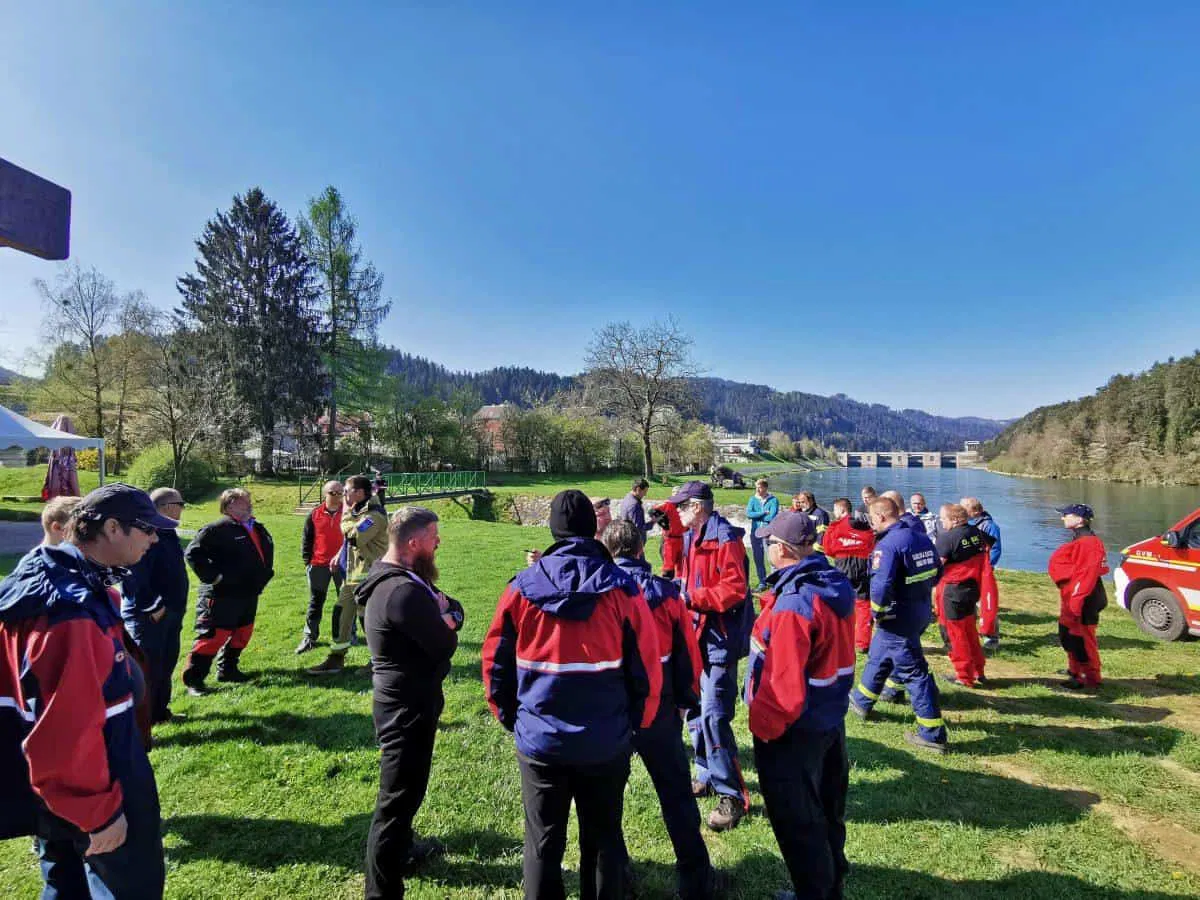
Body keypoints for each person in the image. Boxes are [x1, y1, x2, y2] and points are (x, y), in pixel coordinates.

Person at [483, 490, 661, 900]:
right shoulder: (624, 589)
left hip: (541, 740)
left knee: (542, 844)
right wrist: (638, 722)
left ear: (553, 530)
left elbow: (495, 663)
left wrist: (510, 716)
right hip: (605, 739)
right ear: (591, 527)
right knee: (602, 841)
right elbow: (647, 667)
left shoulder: (520, 587)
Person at [0, 483, 174, 898]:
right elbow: (65, 730)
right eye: (147, 528)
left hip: (49, 789)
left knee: (63, 879)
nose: (155, 537)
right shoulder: (71, 611)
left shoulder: (45, 575)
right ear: (112, 528)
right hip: (96, 780)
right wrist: (99, 814)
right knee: (128, 887)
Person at [601, 520, 717, 900]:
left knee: (606, 799)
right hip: (660, 705)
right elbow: (688, 652)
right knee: (676, 795)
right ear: (641, 550)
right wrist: (687, 700)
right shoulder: (665, 594)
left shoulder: (600, 591)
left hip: (614, 707)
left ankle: (617, 879)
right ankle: (696, 880)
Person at [746, 511, 855, 900]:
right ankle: (831, 881)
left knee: (797, 822)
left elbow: (783, 686)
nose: (765, 547)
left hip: (794, 730)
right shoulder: (831, 583)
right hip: (828, 716)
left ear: (782, 549)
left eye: (769, 542)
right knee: (827, 810)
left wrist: (763, 729)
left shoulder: (795, 603)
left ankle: (814, 890)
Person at [362, 506, 464, 899]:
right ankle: (381, 891)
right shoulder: (401, 591)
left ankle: (404, 850)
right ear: (414, 542)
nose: (439, 542)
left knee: (409, 791)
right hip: (405, 707)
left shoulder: (400, 578)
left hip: (411, 699)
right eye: (434, 537)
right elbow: (446, 642)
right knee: (396, 801)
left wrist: (446, 613)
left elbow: (452, 606)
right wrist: (447, 619)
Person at [670, 480, 753, 831]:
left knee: (715, 716)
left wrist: (691, 598)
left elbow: (733, 589)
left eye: (681, 506)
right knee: (695, 710)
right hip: (696, 635)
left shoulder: (726, 539)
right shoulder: (692, 537)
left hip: (720, 638)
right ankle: (705, 774)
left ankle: (732, 795)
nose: (675, 511)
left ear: (697, 507)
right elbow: (687, 578)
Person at [849, 496, 948, 754]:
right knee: (879, 655)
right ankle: (861, 701)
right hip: (919, 610)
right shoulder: (922, 537)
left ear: (881, 516)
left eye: (872, 519)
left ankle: (932, 733)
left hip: (898, 617)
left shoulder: (889, 545)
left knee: (915, 672)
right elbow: (937, 572)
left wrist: (877, 613)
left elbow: (881, 585)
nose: (871, 524)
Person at [181, 488, 275, 694]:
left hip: (249, 592)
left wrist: (265, 575)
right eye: (243, 502)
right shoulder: (217, 529)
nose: (249, 504)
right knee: (214, 636)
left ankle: (228, 670)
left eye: (249, 500)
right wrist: (215, 578)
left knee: (243, 632)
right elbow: (193, 553)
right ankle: (194, 681)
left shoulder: (255, 526)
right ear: (229, 505)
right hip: (222, 594)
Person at [122, 487, 190, 724]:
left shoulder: (167, 532)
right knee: (148, 669)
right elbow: (133, 574)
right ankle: (143, 723)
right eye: (180, 504)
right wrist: (153, 606)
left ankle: (160, 713)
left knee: (165, 664)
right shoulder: (146, 532)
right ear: (167, 507)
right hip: (150, 615)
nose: (182, 509)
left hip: (170, 611)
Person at [308, 475, 389, 675]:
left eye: (347, 490)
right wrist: (339, 554)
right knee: (340, 614)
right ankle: (336, 657)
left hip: (370, 577)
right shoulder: (358, 511)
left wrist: (344, 513)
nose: (343, 494)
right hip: (352, 578)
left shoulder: (374, 516)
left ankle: (378, 661)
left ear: (360, 493)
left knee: (368, 620)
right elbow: (350, 541)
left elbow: (354, 537)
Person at [933, 504, 994, 689]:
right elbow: (990, 544)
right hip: (972, 587)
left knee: (955, 633)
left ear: (955, 519)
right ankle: (978, 670)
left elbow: (936, 566)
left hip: (953, 590)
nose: (942, 522)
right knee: (969, 630)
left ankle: (963, 675)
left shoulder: (947, 538)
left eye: (944, 519)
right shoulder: (976, 532)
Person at [1049, 504, 1108, 689]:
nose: (1063, 518)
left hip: (1084, 598)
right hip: (1073, 596)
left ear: (1080, 519)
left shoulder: (1089, 543)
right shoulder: (1080, 540)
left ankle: (1089, 677)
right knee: (1069, 636)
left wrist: (1076, 601)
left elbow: (1087, 575)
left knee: (1083, 638)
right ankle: (1075, 670)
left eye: (1067, 515)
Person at [296, 480, 346, 654]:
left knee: (346, 602)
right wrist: (307, 561)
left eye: (341, 492)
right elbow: (307, 539)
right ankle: (309, 637)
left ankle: (347, 635)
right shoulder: (314, 514)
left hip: (343, 565)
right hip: (318, 565)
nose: (338, 496)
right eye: (333, 493)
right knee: (316, 602)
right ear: (325, 493)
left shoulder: (349, 513)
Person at [823, 497, 875, 653]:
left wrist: (842, 551)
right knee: (863, 604)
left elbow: (828, 549)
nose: (834, 513)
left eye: (835, 510)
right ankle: (862, 642)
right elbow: (873, 544)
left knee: (838, 601)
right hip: (862, 565)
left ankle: (838, 636)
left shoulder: (835, 526)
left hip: (843, 564)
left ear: (842, 510)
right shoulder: (867, 527)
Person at [961, 497, 1002, 650]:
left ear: (975, 511)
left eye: (965, 509)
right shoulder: (968, 524)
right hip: (969, 570)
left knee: (986, 603)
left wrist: (987, 567)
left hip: (983, 571)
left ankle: (991, 636)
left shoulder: (989, 526)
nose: (961, 511)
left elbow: (995, 550)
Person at [746, 478, 780, 591]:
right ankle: (762, 582)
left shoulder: (773, 500)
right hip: (755, 533)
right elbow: (749, 514)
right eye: (756, 487)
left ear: (765, 488)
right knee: (758, 558)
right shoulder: (752, 499)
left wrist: (759, 516)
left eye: (759, 487)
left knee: (772, 558)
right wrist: (763, 513)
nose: (757, 489)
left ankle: (774, 582)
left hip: (769, 533)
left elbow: (772, 516)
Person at [649, 499, 685, 580]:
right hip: (670, 540)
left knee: (681, 567)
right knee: (668, 567)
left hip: (683, 539)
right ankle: (667, 587)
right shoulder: (669, 505)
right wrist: (663, 523)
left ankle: (680, 586)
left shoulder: (688, 505)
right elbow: (652, 511)